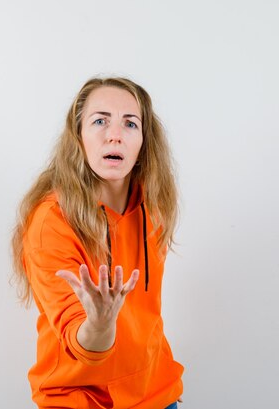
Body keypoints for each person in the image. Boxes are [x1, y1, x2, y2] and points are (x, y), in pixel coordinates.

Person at [11, 77, 184, 409]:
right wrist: (100, 323)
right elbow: (84, 347)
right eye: (100, 120)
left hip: (157, 396)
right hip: (80, 400)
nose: (115, 134)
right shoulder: (52, 222)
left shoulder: (154, 204)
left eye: (130, 123)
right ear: (79, 137)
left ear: (144, 142)